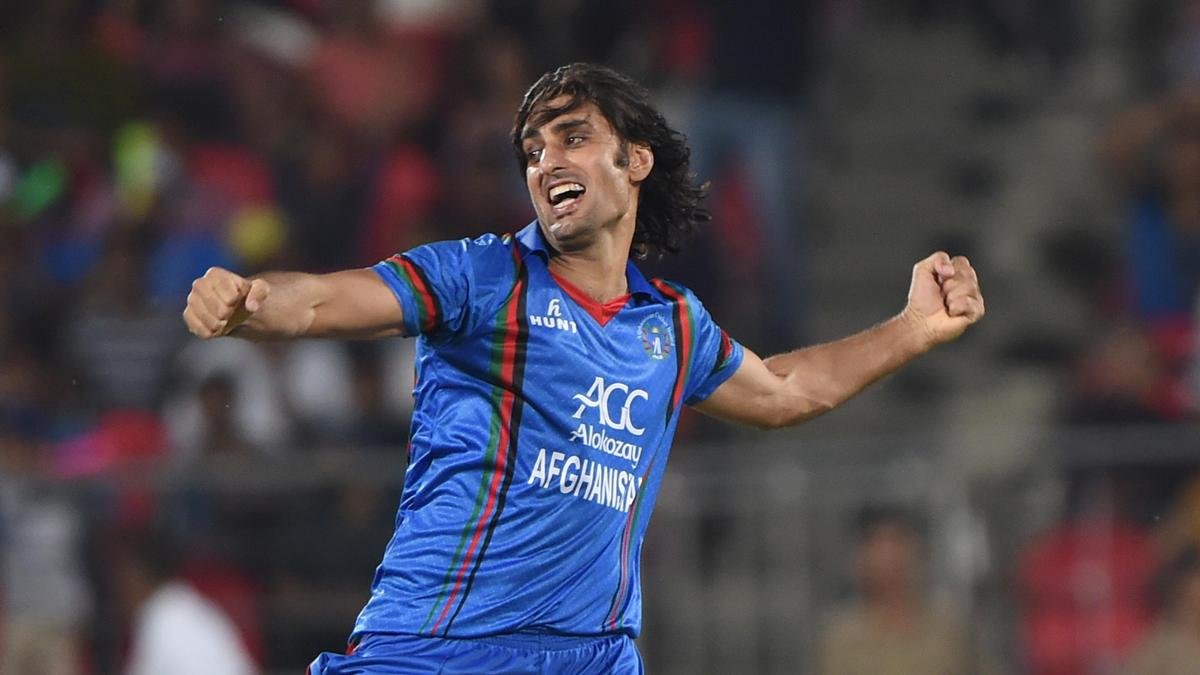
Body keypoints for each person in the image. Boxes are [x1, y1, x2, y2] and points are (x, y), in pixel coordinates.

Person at [182, 63, 985, 674]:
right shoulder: (483, 277)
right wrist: (252, 301)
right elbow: (325, 301)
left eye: (571, 136)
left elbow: (784, 390)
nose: (545, 161)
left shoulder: (672, 325)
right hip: (438, 646)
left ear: (636, 159)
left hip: (589, 655)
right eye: (532, 149)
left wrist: (914, 328)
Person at [817, 507, 973, 675]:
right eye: (878, 550)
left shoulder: (947, 627)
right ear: (862, 561)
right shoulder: (842, 638)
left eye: (898, 545)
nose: (890, 560)